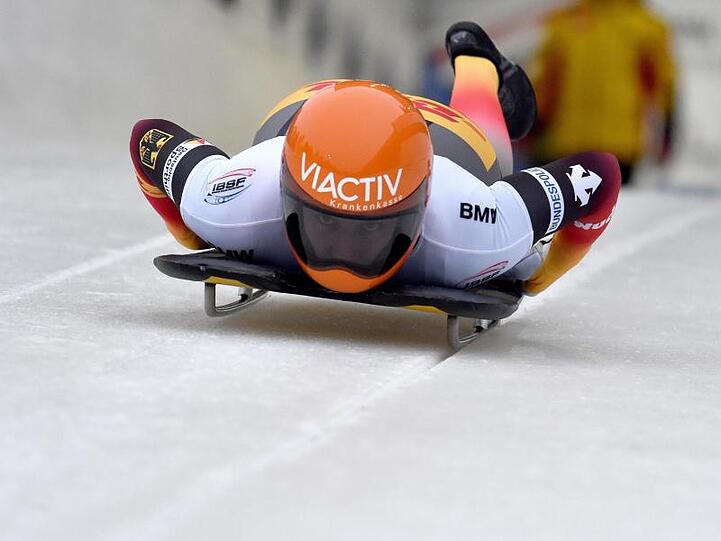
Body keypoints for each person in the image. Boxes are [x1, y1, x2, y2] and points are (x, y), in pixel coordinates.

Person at [130, 22, 620, 297]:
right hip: (310, 111)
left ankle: (477, 65)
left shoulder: (477, 225)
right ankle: (475, 67)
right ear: (285, 195)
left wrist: (194, 235)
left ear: (418, 207)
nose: (343, 253)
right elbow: (146, 138)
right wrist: (536, 278)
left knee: (479, 152)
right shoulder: (229, 200)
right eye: (325, 225)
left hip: (441, 141)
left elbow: (600, 173)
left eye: (369, 232)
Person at [528, 0, 676, 184]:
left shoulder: (647, 28)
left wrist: (667, 130)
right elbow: (546, 81)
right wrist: (533, 126)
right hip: (566, 146)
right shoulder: (564, 23)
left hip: (618, 150)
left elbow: (663, 83)